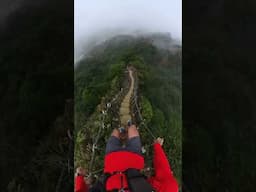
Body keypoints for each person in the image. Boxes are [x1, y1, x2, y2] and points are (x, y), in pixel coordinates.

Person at [104, 124, 178, 192]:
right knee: (132, 129)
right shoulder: (170, 189)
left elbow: (163, 168)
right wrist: (157, 147)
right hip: (133, 160)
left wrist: (157, 146)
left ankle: (123, 130)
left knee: (115, 133)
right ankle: (126, 128)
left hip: (113, 161)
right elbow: (163, 168)